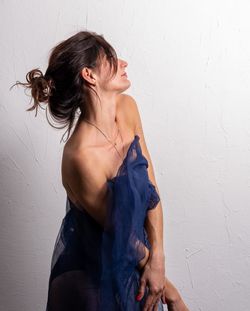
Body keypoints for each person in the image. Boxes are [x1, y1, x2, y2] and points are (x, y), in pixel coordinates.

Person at [11, 30, 189, 311]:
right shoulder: (80, 157)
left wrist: (159, 259)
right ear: (89, 75)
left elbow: (151, 190)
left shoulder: (128, 109)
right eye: (112, 59)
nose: (124, 63)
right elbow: (121, 233)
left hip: (133, 264)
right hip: (92, 281)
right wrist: (172, 293)